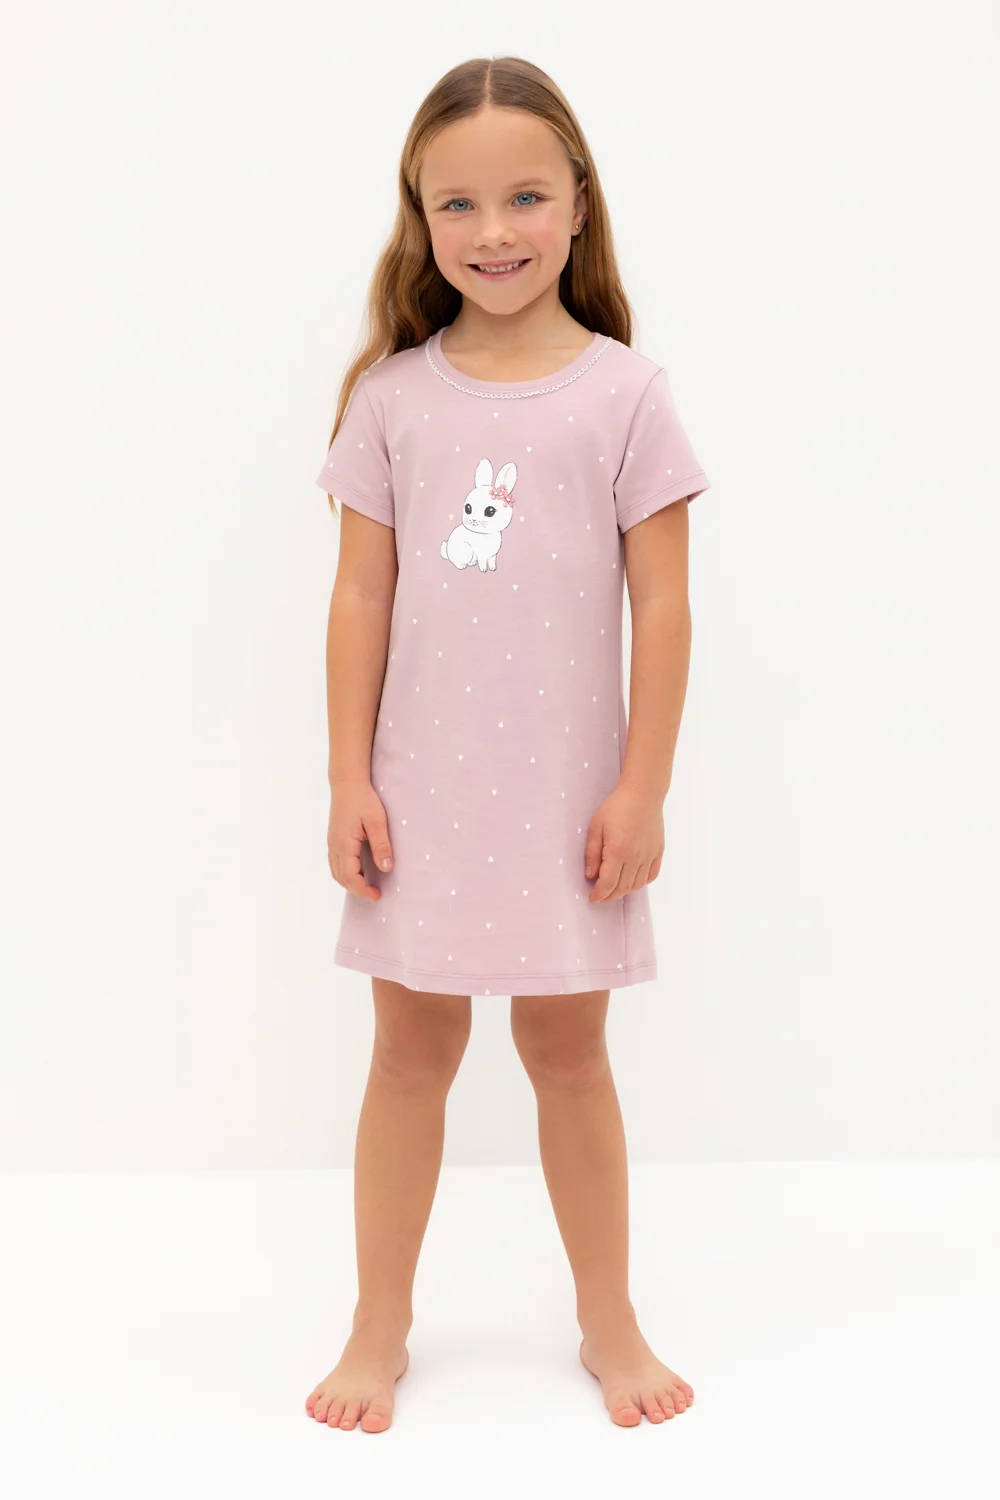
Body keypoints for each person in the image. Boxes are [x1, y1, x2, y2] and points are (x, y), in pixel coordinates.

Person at [306, 55, 710, 1434]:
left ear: (579, 204)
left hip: (567, 803)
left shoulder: (627, 395)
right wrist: (348, 777)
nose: (494, 232)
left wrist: (644, 787)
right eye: (459, 204)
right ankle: (377, 1324)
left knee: (570, 1055)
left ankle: (610, 1319)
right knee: (407, 1055)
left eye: (526, 197)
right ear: (419, 217)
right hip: (419, 800)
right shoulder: (391, 399)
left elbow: (665, 605)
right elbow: (361, 597)